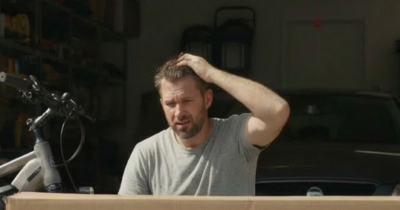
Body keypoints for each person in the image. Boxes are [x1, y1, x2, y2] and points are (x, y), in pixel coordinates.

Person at [118, 53, 290, 196]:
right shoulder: (147, 154)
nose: (179, 112)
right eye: (170, 104)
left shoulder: (235, 138)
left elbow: (277, 110)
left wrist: (211, 73)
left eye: (187, 101)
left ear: (207, 99)